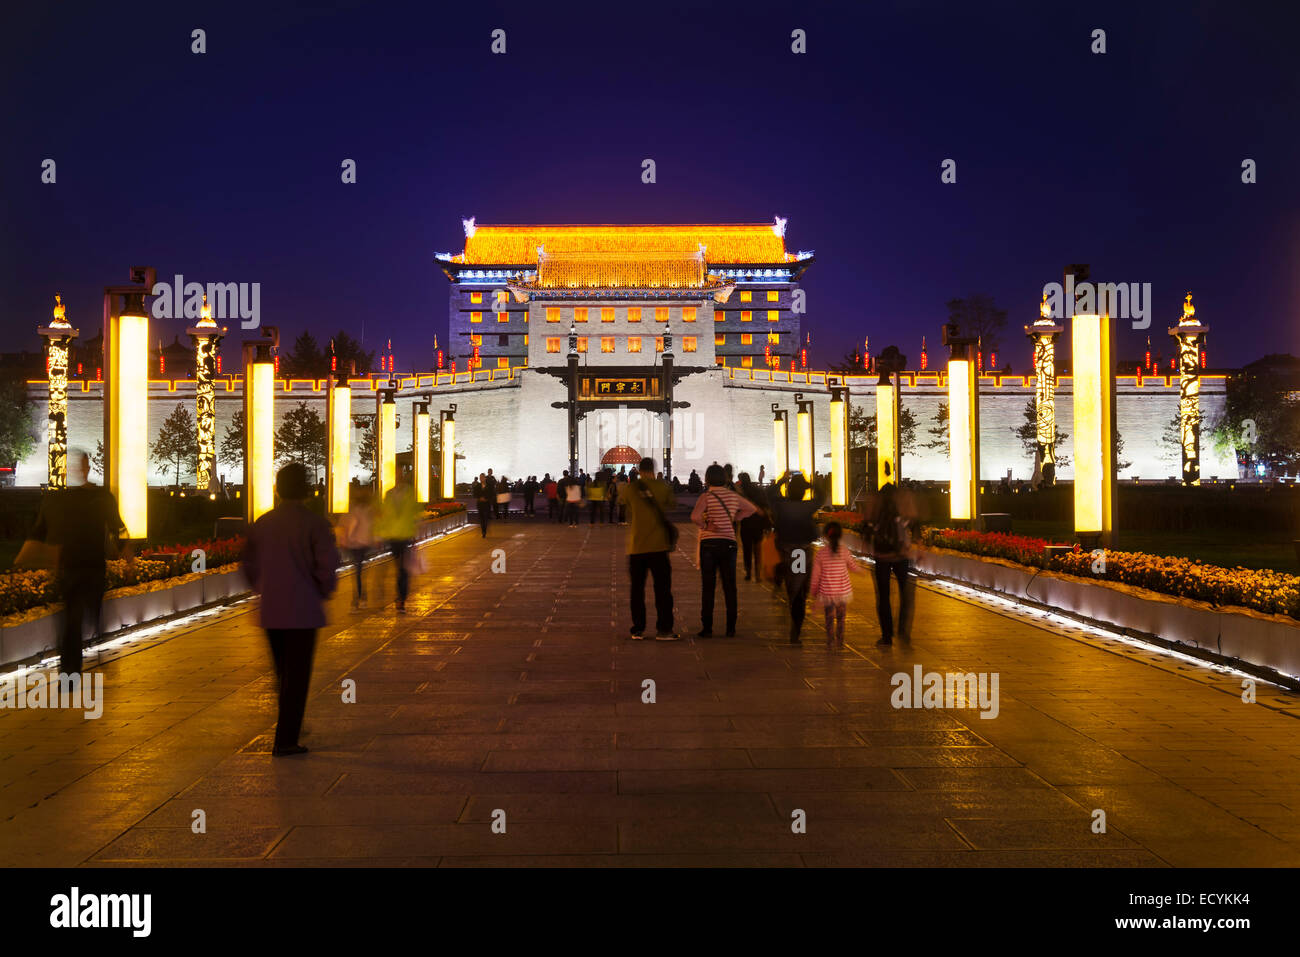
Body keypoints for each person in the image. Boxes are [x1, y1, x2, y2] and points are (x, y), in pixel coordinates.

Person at [241, 463, 339, 757]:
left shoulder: (263, 523)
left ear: (278, 488)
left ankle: (287, 727)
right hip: (303, 609)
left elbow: (248, 564)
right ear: (307, 490)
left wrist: (263, 588)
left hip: (272, 609)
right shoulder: (315, 524)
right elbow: (327, 565)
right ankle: (285, 739)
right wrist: (322, 591)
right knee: (297, 676)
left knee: (282, 672)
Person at [21, 449, 126, 674]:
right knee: (80, 616)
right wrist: (124, 553)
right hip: (86, 568)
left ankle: (72, 669)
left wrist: (22, 561)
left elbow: (37, 533)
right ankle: (81, 659)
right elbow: (118, 528)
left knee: (73, 619)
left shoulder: (61, 500)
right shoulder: (98, 497)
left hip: (76, 568)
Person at [690, 463, 757, 637]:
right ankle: (730, 628)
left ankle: (707, 627)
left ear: (707, 479)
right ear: (725, 478)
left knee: (708, 586)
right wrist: (735, 518)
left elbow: (694, 517)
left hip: (709, 544)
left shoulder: (706, 497)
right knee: (729, 586)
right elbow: (752, 509)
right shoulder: (733, 496)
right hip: (728, 544)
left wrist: (706, 525)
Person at [619, 456, 678, 640]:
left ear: (638, 469)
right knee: (663, 590)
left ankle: (638, 628)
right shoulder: (663, 487)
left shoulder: (630, 488)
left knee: (637, 589)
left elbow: (624, 504)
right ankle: (664, 629)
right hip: (659, 546)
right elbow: (672, 505)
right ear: (653, 469)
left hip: (637, 546)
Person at [768, 471, 825, 644]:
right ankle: (796, 628)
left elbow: (769, 493)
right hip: (801, 551)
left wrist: (782, 480)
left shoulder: (781, 505)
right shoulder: (808, 506)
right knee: (798, 591)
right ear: (803, 491)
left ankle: (782, 576)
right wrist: (811, 484)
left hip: (784, 549)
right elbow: (822, 495)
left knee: (793, 585)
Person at [864, 482, 917, 645]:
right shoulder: (903, 502)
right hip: (901, 555)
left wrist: (868, 546)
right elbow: (914, 524)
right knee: (906, 594)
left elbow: (866, 527)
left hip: (881, 556)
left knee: (883, 597)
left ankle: (887, 635)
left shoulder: (875, 502)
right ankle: (903, 631)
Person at [376, 476, 421, 614]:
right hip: (393, 536)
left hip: (406, 535)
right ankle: (400, 597)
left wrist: (415, 534)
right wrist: (380, 534)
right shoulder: (388, 494)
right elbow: (383, 516)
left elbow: (415, 514)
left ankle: (401, 598)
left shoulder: (410, 493)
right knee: (399, 568)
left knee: (403, 569)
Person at [810, 521, 858, 648]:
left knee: (829, 618)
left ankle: (830, 640)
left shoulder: (821, 554)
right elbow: (852, 566)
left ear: (826, 536)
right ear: (840, 535)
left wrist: (814, 592)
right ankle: (840, 641)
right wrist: (860, 570)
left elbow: (816, 575)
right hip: (842, 592)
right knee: (841, 618)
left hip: (827, 593)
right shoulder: (844, 551)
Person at [339, 488, 376, 608]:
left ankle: (357, 599)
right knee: (359, 571)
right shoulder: (367, 510)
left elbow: (343, 524)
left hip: (355, 543)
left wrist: (343, 540)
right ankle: (361, 597)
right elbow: (372, 526)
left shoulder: (353, 509)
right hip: (361, 543)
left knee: (357, 571)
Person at [735, 471, 771, 581]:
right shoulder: (758, 490)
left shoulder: (741, 492)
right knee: (758, 549)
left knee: (747, 550)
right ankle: (758, 574)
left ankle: (748, 572)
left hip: (746, 524)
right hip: (758, 524)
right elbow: (766, 506)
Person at [472, 473, 492, 537]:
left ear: (485, 478)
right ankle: (483, 531)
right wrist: (480, 498)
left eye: (482, 477)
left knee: (486, 518)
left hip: (487, 504)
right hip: (480, 504)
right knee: (481, 518)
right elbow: (474, 494)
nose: (481, 479)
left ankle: (484, 530)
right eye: (480, 478)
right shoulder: (477, 486)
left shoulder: (489, 486)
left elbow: (492, 494)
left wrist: (486, 498)